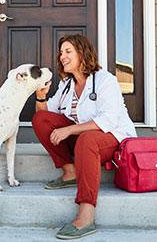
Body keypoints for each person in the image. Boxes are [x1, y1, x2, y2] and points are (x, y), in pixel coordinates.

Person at [32, 34, 137, 240]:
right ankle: (70, 173)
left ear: (82, 53)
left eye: (68, 51)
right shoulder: (67, 85)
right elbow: (46, 114)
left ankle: (86, 214)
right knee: (41, 119)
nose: (63, 56)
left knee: (87, 138)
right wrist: (41, 95)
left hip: (114, 139)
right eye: (61, 52)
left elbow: (108, 121)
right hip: (84, 143)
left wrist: (69, 130)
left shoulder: (106, 80)